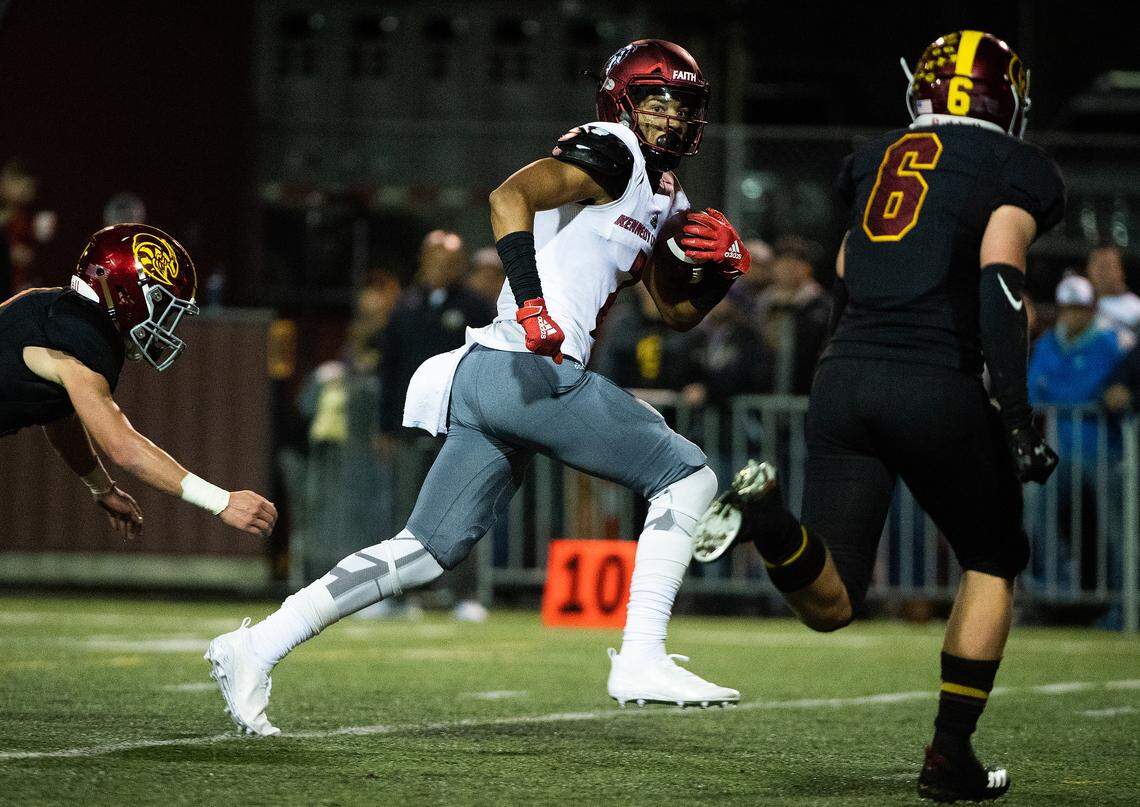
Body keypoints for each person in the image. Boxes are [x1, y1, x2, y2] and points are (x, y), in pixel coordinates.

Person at [207, 38, 752, 735]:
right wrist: (530, 302)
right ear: (622, 100)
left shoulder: (664, 190)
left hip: (503, 378)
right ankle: (641, 653)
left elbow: (674, 314)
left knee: (426, 551)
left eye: (684, 105)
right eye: (657, 101)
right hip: (528, 364)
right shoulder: (611, 151)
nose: (672, 118)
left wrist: (719, 276)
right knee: (690, 477)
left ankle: (255, 644)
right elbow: (509, 196)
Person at [691, 31, 1064, 802]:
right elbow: (1001, 273)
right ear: (1009, 100)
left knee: (831, 603)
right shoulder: (1015, 168)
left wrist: (843, 373)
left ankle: (770, 520)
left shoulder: (874, 158)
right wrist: (1019, 416)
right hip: (934, 379)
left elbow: (848, 268)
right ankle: (948, 756)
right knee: (994, 559)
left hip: (846, 374)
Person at [0, 223, 277, 541]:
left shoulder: (56, 312)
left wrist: (101, 488)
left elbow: (60, 418)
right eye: (160, 306)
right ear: (124, 291)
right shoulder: (83, 339)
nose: (165, 324)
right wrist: (222, 501)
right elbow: (124, 448)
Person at [1086, 245, 1140, 335]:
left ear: (1120, 270)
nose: (1101, 273)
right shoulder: (1079, 307)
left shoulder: (1136, 309)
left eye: (1106, 267)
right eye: (1096, 266)